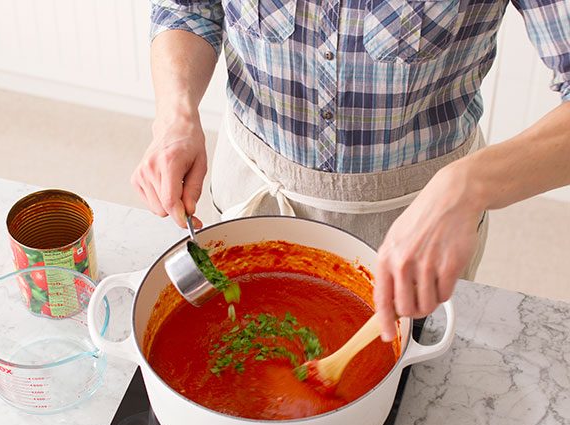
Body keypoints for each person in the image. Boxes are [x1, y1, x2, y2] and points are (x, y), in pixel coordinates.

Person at [132, 0, 570, 341]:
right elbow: (189, 7)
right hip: (254, 192)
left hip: (415, 221)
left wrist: (468, 185)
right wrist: (176, 117)